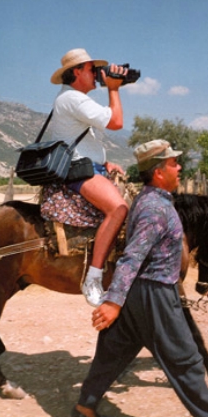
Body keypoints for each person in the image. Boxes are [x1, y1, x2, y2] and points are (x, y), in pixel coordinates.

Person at [68, 139, 208, 417]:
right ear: (158, 172)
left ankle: (84, 406)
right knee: (187, 360)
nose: (179, 167)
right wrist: (113, 302)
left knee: (113, 353)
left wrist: (120, 300)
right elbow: (132, 256)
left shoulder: (151, 199)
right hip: (154, 293)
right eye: (172, 163)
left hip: (138, 294)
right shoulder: (155, 208)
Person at [50, 48, 129, 307]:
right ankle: (93, 278)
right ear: (77, 72)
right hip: (78, 170)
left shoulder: (72, 98)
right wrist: (114, 88)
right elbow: (116, 122)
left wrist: (104, 163)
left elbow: (75, 141)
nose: (97, 74)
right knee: (118, 208)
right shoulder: (74, 98)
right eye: (91, 69)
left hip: (88, 166)